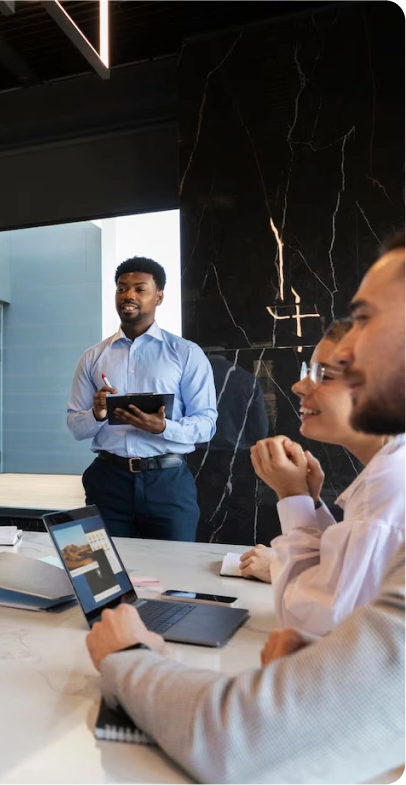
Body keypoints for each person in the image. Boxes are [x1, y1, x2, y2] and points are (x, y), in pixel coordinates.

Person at [84, 234, 406, 784]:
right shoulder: (94, 357)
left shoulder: (390, 498)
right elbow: (332, 617)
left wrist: (127, 656)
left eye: (366, 319)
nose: (346, 350)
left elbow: (244, 739)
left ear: (159, 295)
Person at [244, 320, 405, 637]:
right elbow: (350, 578)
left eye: (323, 376)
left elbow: (314, 622)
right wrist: (312, 502)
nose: (299, 386)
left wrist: (292, 497)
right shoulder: (390, 468)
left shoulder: (388, 483)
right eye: (308, 370)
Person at [67, 257, 218, 541]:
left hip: (168, 482)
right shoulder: (92, 357)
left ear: (159, 295)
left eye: (140, 289)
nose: (129, 295)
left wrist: (162, 427)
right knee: (105, 578)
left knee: (175, 579)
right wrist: (97, 413)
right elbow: (75, 427)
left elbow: (207, 424)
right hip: (108, 482)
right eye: (122, 288)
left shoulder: (185, 353)